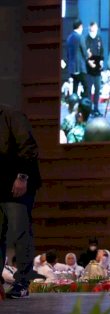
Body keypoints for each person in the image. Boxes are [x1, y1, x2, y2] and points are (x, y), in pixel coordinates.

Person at [0, 105, 41, 299]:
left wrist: (22, 177)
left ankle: (22, 282)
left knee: (20, 232)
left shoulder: (12, 115)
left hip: (18, 185)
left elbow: (29, 147)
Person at [85, 21, 104, 117]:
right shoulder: (86, 39)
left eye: (94, 29)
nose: (93, 31)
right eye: (91, 30)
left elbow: (102, 52)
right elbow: (85, 53)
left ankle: (96, 108)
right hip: (89, 70)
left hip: (98, 70)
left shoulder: (99, 38)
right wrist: (89, 61)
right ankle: (88, 110)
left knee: (97, 90)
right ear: (89, 29)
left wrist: (101, 61)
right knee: (88, 90)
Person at [65, 19, 87, 97]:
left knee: (75, 87)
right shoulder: (80, 37)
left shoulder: (69, 38)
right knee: (86, 86)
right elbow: (84, 53)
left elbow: (67, 54)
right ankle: (85, 105)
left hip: (72, 68)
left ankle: (73, 103)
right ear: (80, 26)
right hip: (80, 67)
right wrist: (88, 54)